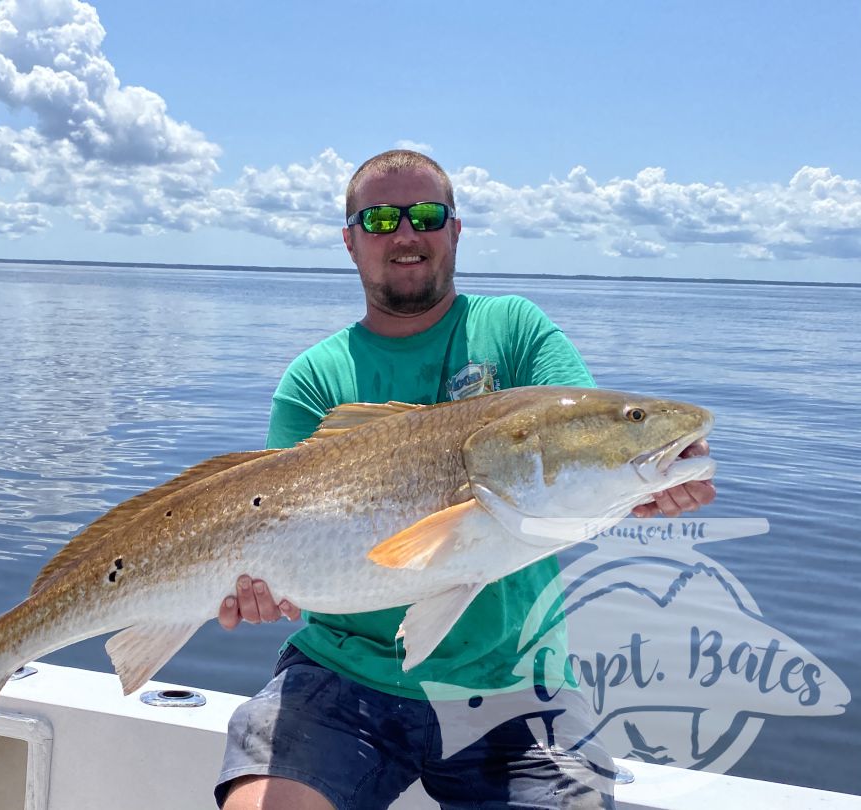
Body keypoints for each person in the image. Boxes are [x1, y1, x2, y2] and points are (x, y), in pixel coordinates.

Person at [214, 149, 715, 810]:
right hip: (340, 677)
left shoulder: (515, 332)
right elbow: (274, 528)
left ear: (454, 229)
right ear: (349, 240)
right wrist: (255, 589)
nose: (404, 233)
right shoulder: (314, 379)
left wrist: (643, 488)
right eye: (380, 218)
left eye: (425, 214)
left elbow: (579, 464)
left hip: (517, 689)